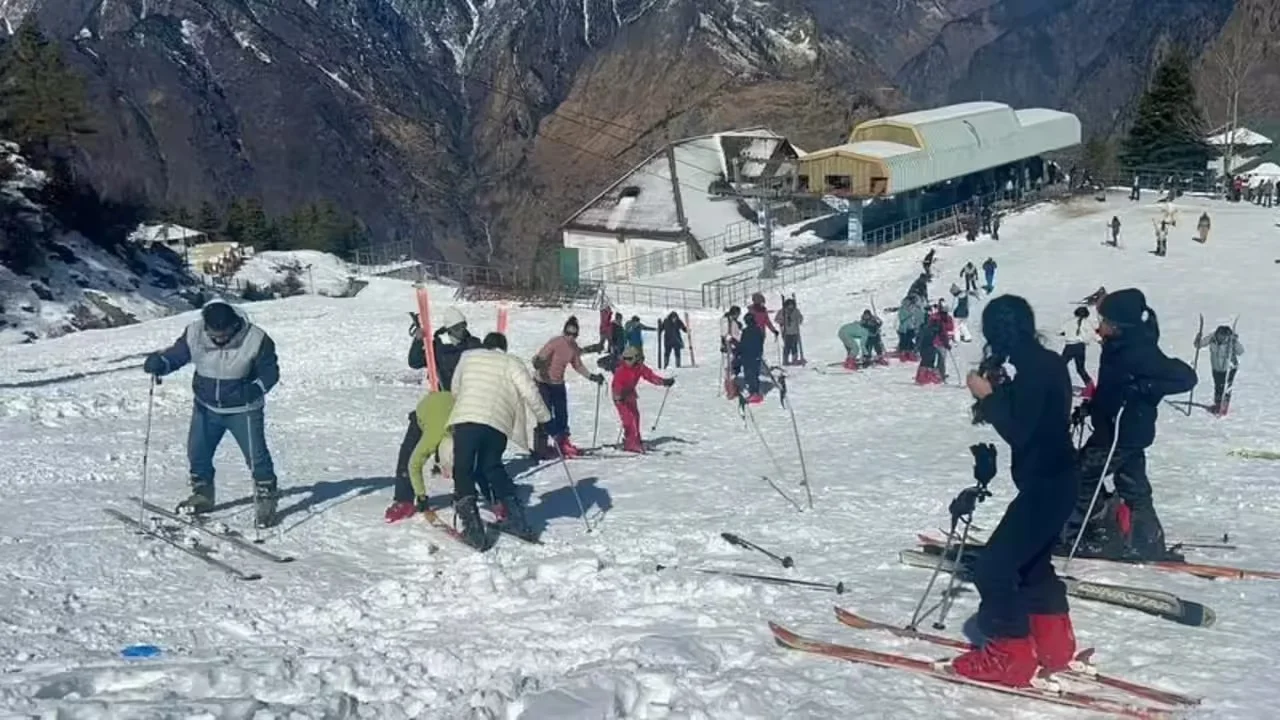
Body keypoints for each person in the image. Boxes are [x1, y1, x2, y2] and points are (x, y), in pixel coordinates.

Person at [954, 295, 1080, 687]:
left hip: (1046, 483)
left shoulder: (1031, 368)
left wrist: (987, 396)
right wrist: (1000, 390)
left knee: (993, 568)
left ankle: (1011, 657)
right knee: (1031, 565)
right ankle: (1053, 644)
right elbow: (1037, 417)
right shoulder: (1045, 362)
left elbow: (1020, 432)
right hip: (1059, 479)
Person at [1059, 289, 1197, 561]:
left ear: (1120, 326)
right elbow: (1111, 388)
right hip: (1120, 430)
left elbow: (1186, 378)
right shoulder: (1117, 347)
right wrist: (1092, 407)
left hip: (1121, 433)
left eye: (1105, 321)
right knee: (1133, 486)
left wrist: (1144, 387)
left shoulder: (1140, 351)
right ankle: (1146, 542)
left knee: (1081, 476)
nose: (1099, 327)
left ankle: (1079, 537)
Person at [142, 300, 281, 527]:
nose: (219, 339)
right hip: (206, 407)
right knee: (198, 453)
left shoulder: (256, 339)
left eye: (224, 334)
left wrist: (255, 389)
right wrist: (161, 363)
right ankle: (203, 494)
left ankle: (266, 497)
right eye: (214, 334)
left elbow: (270, 373)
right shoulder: (195, 332)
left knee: (256, 456)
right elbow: (177, 355)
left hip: (243, 409)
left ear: (234, 325)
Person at [446, 332, 552, 550]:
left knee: (463, 467)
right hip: (498, 423)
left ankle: (473, 528)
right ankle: (516, 519)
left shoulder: (468, 356)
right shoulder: (512, 362)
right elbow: (531, 393)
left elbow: (455, 388)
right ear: (503, 348)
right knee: (492, 466)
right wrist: (545, 418)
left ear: (486, 345)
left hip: (468, 418)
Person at [392, 307, 481, 514]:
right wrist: (418, 341)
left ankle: (471, 491)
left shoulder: (473, 344)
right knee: (413, 447)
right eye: (457, 327)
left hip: (466, 403)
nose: (462, 331)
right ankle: (404, 498)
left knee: (468, 449)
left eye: (464, 326)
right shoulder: (437, 346)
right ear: (449, 329)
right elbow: (415, 362)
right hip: (441, 402)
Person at [532, 316, 605, 459]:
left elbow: (578, 365)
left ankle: (562, 443)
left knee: (562, 415)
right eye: (568, 333)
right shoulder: (555, 342)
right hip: (543, 382)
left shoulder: (573, 348)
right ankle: (541, 447)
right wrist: (538, 362)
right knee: (545, 415)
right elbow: (541, 356)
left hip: (557, 384)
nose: (570, 337)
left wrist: (592, 376)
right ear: (564, 332)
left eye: (574, 334)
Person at [384, 389, 457, 523]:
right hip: (426, 410)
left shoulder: (464, 437)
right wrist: (421, 496)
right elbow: (414, 465)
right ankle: (404, 500)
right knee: (407, 455)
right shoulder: (431, 439)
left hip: (450, 406)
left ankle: (464, 496)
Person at [612, 345, 674, 453]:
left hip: (630, 394)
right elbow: (616, 385)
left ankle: (635, 439)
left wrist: (664, 382)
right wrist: (618, 397)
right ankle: (630, 442)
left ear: (635, 358)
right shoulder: (621, 370)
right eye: (625, 358)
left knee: (635, 416)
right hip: (620, 395)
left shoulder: (639, 367)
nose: (627, 361)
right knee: (628, 418)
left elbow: (650, 376)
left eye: (629, 358)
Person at [1195, 325, 1243, 416]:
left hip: (1229, 368)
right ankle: (1218, 404)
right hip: (1216, 367)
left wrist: (1235, 342)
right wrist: (1198, 338)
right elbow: (1198, 345)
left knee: (1226, 387)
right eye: (1220, 335)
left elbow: (1240, 352)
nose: (1221, 338)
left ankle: (1225, 405)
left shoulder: (1231, 341)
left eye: (1224, 336)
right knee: (1218, 386)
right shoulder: (1212, 338)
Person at [1059, 306, 1098, 399]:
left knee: (1060, 366)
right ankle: (1090, 387)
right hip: (1080, 347)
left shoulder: (1069, 322)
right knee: (1080, 368)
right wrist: (1100, 340)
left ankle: (1056, 384)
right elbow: (1093, 334)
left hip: (1069, 346)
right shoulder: (1086, 323)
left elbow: (1059, 331)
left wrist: (1065, 333)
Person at [737, 311, 766, 403]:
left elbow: (743, 344)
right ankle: (754, 392)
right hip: (754, 355)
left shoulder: (747, 331)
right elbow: (761, 343)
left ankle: (755, 393)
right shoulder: (758, 330)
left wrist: (739, 352)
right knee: (753, 374)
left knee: (751, 375)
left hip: (749, 356)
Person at [719, 306, 743, 399]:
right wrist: (733, 342)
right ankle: (731, 390)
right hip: (730, 347)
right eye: (738, 314)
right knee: (729, 368)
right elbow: (725, 335)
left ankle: (732, 388)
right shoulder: (726, 321)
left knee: (732, 367)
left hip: (733, 346)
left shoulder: (731, 321)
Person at [775, 297, 805, 365]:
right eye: (789, 305)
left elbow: (800, 318)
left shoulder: (796, 311)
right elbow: (777, 319)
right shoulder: (782, 311)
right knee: (787, 346)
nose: (790, 306)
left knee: (794, 345)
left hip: (795, 331)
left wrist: (799, 320)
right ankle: (785, 360)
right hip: (786, 332)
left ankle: (794, 359)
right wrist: (782, 321)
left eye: (792, 304)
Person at [895, 294, 925, 362]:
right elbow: (902, 317)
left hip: (910, 327)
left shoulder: (914, 308)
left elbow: (919, 317)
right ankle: (904, 353)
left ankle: (908, 352)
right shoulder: (904, 308)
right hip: (904, 328)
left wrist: (917, 325)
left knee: (909, 340)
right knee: (904, 340)